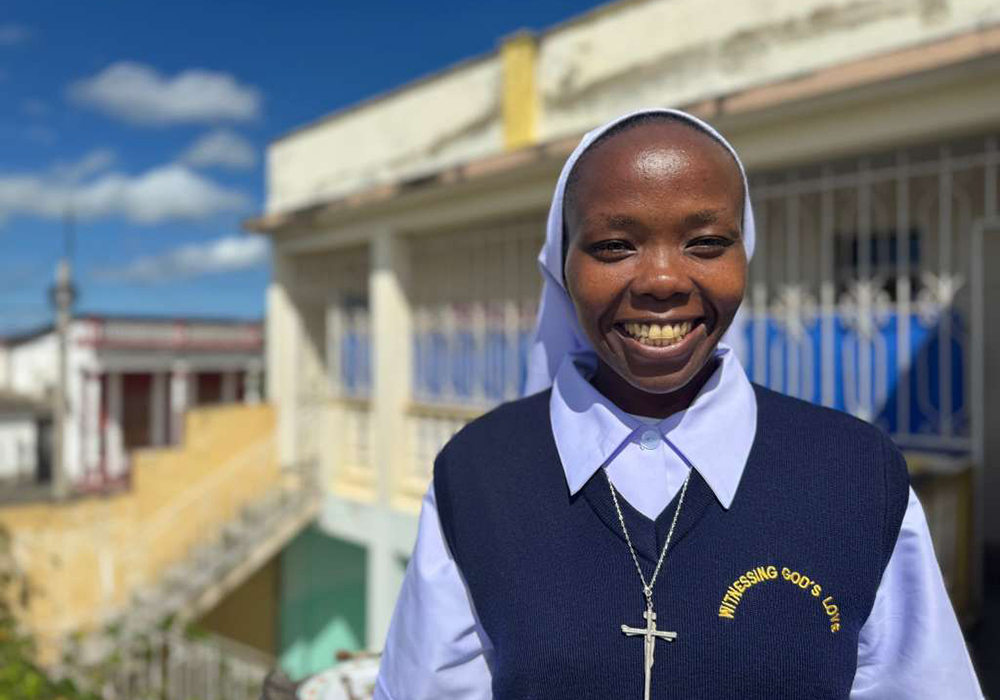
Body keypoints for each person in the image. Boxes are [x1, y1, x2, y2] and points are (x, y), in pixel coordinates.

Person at [373, 109, 983, 699]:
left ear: (745, 255)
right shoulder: (480, 472)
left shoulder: (856, 473)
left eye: (706, 241)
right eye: (614, 246)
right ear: (563, 266)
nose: (662, 280)